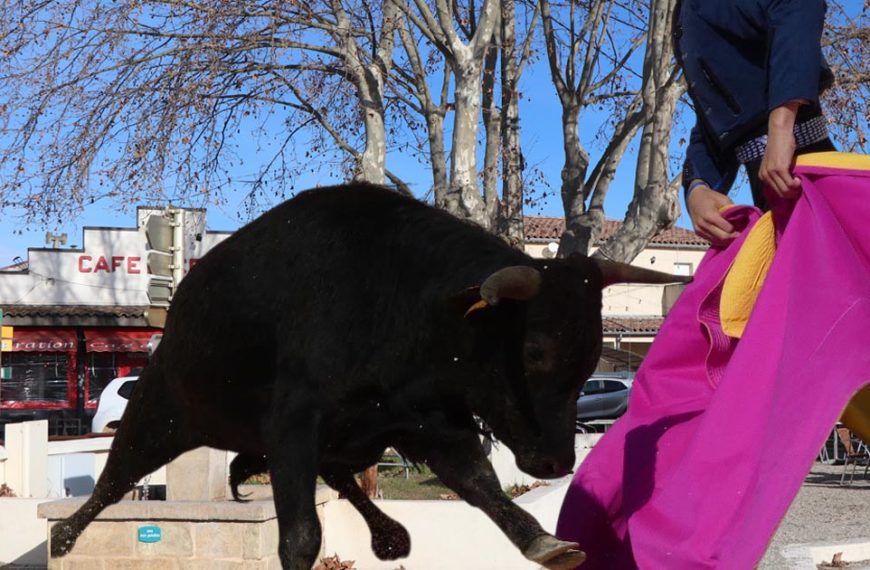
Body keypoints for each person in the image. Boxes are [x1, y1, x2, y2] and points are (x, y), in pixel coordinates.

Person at [674, 0, 836, 243]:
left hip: (806, 174)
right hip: (768, 194)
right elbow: (712, 120)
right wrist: (698, 187)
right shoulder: (682, 15)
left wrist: (781, 124)